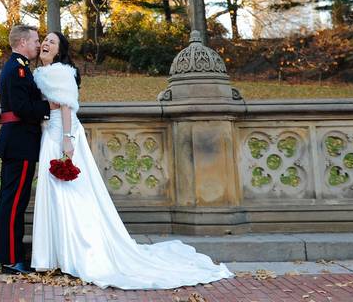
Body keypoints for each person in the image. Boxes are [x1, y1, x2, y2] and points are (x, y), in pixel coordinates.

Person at [30, 31, 234, 289]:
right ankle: (56, 253)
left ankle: (79, 252)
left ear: (59, 51)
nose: (46, 43)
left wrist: (67, 140)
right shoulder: (41, 74)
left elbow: (67, 106)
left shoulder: (61, 71)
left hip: (63, 135)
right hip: (49, 136)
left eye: (52, 41)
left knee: (70, 193)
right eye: (45, 40)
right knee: (55, 193)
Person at [0, 23, 55, 275]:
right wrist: (49, 107)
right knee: (13, 202)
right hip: (19, 143)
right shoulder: (17, 69)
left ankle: (11, 256)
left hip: (19, 142)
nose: (38, 44)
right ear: (22, 43)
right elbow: (21, 108)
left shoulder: (20, 68)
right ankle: (10, 260)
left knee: (14, 201)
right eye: (35, 40)